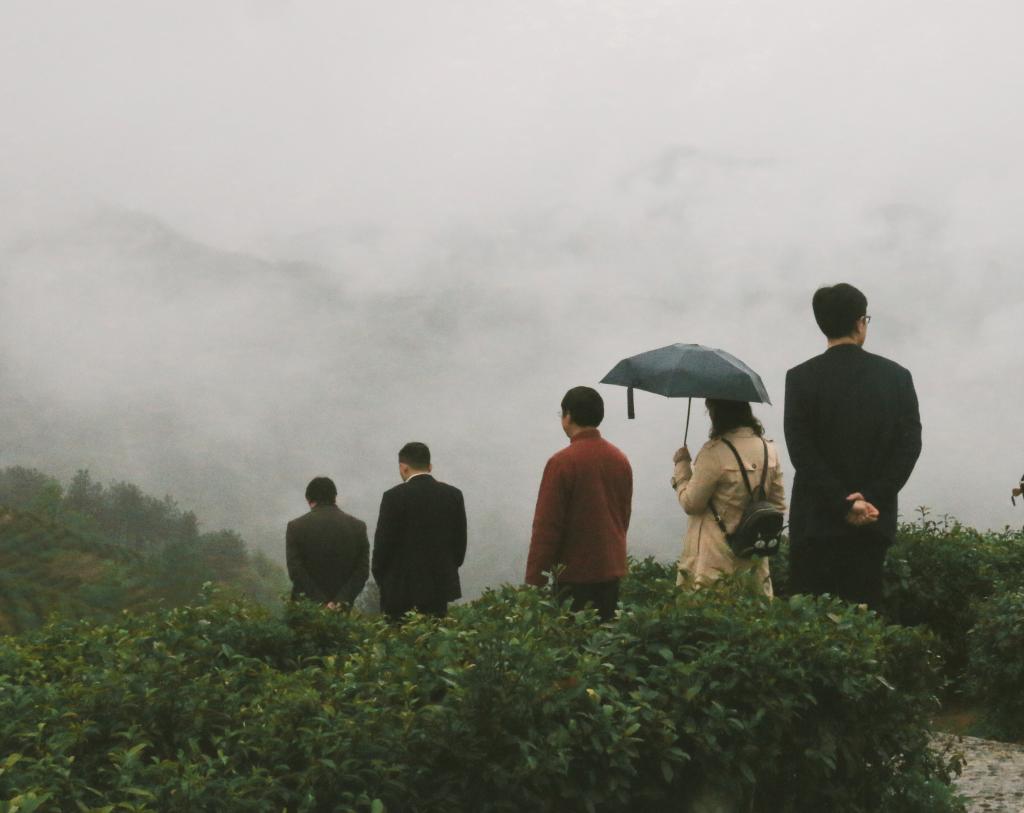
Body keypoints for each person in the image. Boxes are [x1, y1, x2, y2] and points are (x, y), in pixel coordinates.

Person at [784, 283, 922, 610]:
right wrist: (871, 497)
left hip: (816, 524)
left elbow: (801, 451)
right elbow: (909, 446)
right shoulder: (896, 377)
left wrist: (841, 502)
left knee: (810, 622)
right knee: (862, 620)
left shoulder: (800, 378)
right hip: (873, 524)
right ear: (860, 322)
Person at [525, 386, 633, 620]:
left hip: (573, 576)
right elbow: (623, 516)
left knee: (574, 638)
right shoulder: (620, 459)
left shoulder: (561, 462)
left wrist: (536, 579)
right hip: (611, 572)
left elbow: (547, 526)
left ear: (568, 416)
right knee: (605, 638)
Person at [672, 399, 785, 596]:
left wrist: (681, 467)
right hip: (754, 557)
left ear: (718, 414)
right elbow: (778, 506)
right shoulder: (769, 450)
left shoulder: (713, 453)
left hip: (715, 558)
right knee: (752, 608)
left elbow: (691, 504)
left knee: (714, 609)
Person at [371, 442, 467, 620]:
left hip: (400, 590)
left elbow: (383, 547)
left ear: (403, 467)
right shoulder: (453, 495)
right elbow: (459, 547)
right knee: (435, 634)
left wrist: (384, 580)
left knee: (400, 635)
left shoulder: (393, 497)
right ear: (430, 467)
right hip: (438, 589)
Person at [286, 476, 369, 608]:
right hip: (341, 611)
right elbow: (362, 571)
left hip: (305, 609)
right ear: (334, 497)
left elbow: (296, 571)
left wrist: (321, 602)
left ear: (309, 499)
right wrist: (340, 601)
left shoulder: (296, 527)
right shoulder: (358, 527)